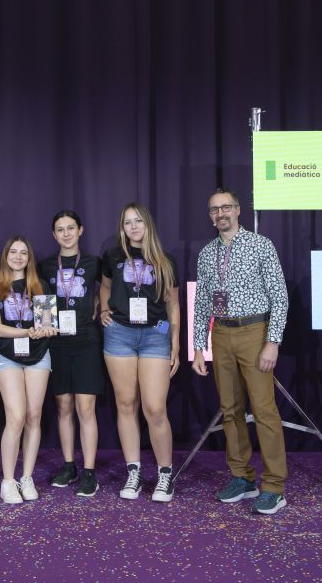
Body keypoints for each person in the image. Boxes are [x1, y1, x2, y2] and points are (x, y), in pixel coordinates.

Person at [191, 188, 290, 515]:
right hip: (221, 334)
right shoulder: (207, 253)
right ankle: (243, 477)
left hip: (254, 332)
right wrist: (199, 347)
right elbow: (202, 302)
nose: (220, 214)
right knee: (230, 409)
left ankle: (274, 486)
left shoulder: (261, 245)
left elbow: (279, 297)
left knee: (264, 410)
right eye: (214, 209)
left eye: (226, 207)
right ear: (210, 216)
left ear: (237, 210)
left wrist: (272, 341)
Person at [99, 203, 180, 502]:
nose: (133, 227)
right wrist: (104, 309)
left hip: (155, 335)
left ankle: (164, 474)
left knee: (155, 408)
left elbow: (173, 304)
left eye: (138, 221)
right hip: (119, 334)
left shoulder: (165, 260)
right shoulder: (113, 257)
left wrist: (175, 343)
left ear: (148, 224)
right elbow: (105, 287)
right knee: (125, 403)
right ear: (122, 227)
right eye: (127, 222)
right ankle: (133, 472)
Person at [0, 236, 57, 504]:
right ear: (6, 256)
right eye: (13, 252)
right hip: (7, 356)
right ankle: (8, 481)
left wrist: (46, 330)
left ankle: (27, 477)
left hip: (38, 355)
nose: (17, 257)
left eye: (23, 252)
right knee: (15, 417)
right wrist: (26, 332)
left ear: (29, 258)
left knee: (33, 416)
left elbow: (46, 324)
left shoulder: (40, 286)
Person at [37, 211, 104, 497]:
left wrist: (100, 306)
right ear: (54, 235)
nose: (66, 233)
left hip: (86, 340)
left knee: (85, 408)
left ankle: (89, 471)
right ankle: (69, 465)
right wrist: (44, 324)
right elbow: (41, 298)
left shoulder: (93, 263)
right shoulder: (45, 265)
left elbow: (105, 290)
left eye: (70, 228)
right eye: (60, 229)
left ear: (80, 230)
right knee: (63, 406)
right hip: (57, 343)